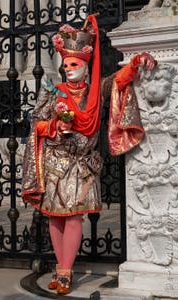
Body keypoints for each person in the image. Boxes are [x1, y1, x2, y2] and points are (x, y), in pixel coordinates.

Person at [21, 14, 157, 294]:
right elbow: (36, 122)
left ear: (85, 66)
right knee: (55, 217)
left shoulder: (97, 91)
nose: (69, 69)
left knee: (74, 217)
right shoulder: (53, 91)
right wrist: (55, 126)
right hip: (55, 163)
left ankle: (66, 272)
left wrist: (135, 63)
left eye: (75, 64)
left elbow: (120, 79)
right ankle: (61, 268)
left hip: (83, 165)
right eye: (66, 64)